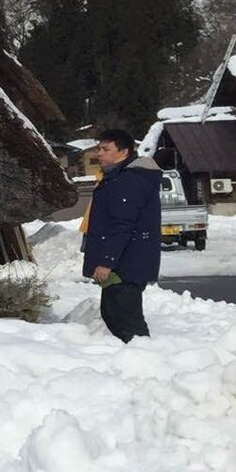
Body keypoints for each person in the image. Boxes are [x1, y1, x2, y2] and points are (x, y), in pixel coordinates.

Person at [81, 128, 161, 342]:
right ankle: (136, 356)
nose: (99, 153)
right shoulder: (116, 178)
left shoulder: (129, 180)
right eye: (99, 148)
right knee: (113, 315)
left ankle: (145, 357)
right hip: (123, 263)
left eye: (106, 149)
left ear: (123, 152)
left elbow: (122, 224)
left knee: (127, 321)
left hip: (127, 263)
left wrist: (106, 262)